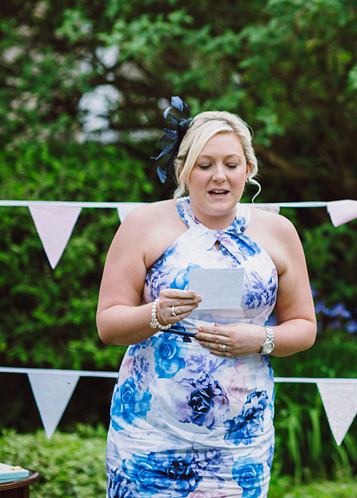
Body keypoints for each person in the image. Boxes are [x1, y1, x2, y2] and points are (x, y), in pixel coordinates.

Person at [96, 102, 317, 497]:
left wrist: (261, 339)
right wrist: (156, 314)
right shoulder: (143, 225)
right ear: (183, 170)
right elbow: (108, 324)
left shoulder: (278, 232)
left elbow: (304, 327)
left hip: (240, 441)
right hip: (150, 436)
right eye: (205, 164)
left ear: (248, 170)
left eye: (231, 164)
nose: (219, 176)